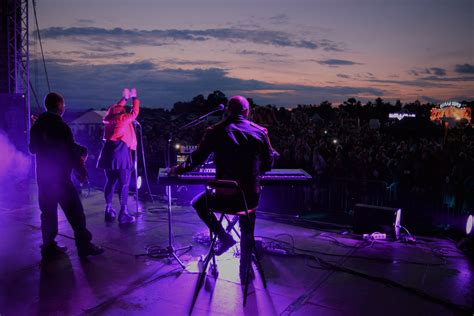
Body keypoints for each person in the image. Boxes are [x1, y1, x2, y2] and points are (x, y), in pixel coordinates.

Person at [171, 95, 276, 281]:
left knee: (199, 203)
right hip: (248, 198)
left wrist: (178, 169)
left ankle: (223, 236)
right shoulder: (260, 131)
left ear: (227, 111)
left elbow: (196, 159)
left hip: (223, 197)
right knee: (247, 225)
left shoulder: (215, 131)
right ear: (247, 112)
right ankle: (245, 271)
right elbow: (269, 165)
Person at [29, 92, 104, 260]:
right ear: (58, 106)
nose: (65, 107)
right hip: (60, 179)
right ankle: (84, 246)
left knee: (48, 213)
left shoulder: (38, 124)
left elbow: (32, 149)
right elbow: (69, 151)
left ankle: (48, 247)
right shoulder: (61, 126)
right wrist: (82, 173)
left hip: (43, 178)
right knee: (76, 213)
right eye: (63, 104)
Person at [97, 88, 139, 224]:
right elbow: (135, 112)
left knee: (110, 182)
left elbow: (117, 107)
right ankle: (124, 213)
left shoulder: (108, 119)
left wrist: (124, 99)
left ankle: (108, 209)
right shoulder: (122, 118)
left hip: (108, 151)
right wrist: (134, 97)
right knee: (124, 184)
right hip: (120, 152)